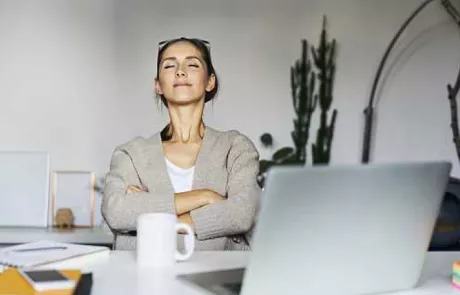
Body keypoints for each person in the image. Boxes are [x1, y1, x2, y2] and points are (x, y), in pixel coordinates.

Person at [101, 37, 261, 251]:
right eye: (169, 65)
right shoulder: (130, 154)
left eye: (192, 64)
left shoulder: (236, 148)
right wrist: (205, 197)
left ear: (210, 81)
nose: (180, 71)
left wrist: (151, 212)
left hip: (219, 278)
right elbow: (117, 212)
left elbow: (242, 214)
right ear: (158, 85)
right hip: (144, 278)